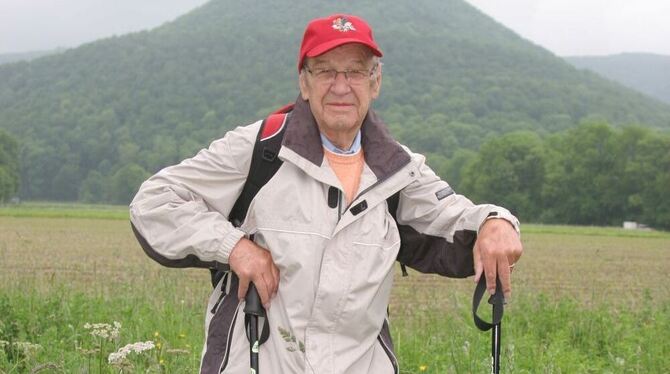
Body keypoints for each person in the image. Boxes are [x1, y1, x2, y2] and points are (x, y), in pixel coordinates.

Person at [130, 13, 523, 374]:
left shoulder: (397, 170)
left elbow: (456, 218)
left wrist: (497, 221)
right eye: (325, 71)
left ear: (375, 82)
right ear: (304, 82)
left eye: (354, 72)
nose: (341, 86)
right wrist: (234, 247)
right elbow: (154, 201)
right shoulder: (260, 149)